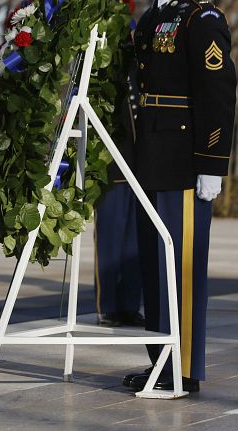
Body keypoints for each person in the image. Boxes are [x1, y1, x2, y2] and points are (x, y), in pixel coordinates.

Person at [123, 0, 237, 395]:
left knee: (183, 267)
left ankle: (184, 369)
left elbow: (217, 93)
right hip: (150, 157)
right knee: (154, 265)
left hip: (185, 163)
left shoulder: (201, 19)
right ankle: (161, 364)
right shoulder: (152, 16)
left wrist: (213, 162)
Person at [94, 81, 144, 328]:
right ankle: (108, 307)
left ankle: (130, 305)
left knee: (135, 246)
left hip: (142, 170)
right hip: (112, 171)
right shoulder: (107, 71)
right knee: (110, 243)